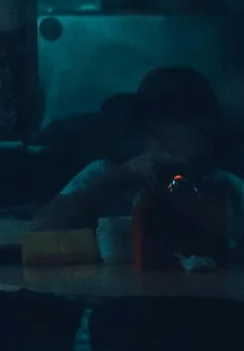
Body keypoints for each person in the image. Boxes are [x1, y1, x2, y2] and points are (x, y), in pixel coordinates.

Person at [33, 67, 244, 251]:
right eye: (164, 124)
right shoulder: (107, 173)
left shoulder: (224, 185)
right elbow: (41, 227)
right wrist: (117, 179)